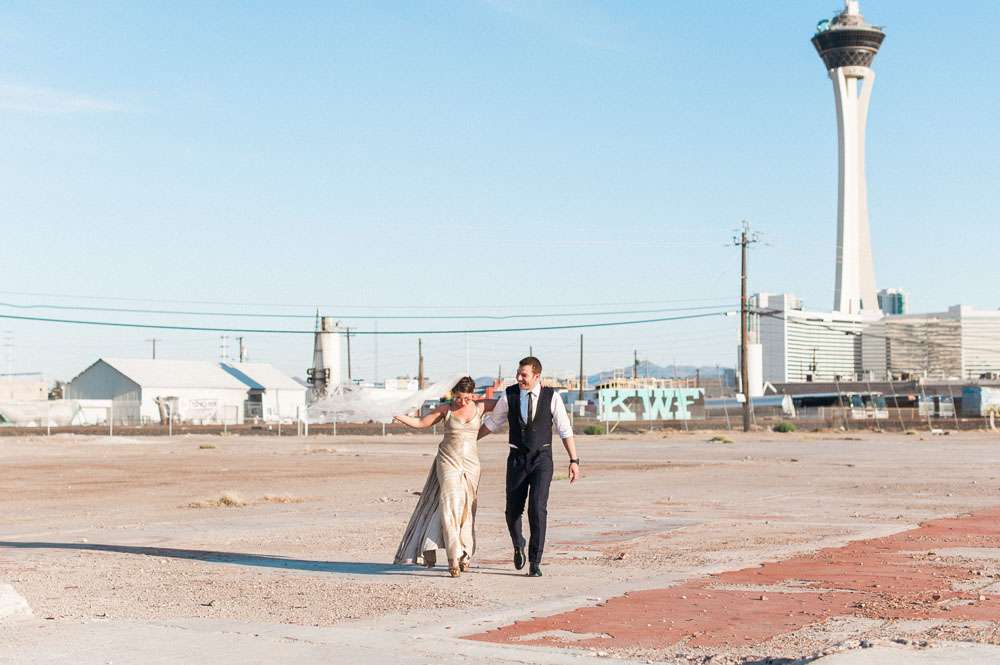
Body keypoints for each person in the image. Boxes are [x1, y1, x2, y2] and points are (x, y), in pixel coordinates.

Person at [479, 357, 579, 577]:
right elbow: (493, 422)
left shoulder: (552, 397)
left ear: (536, 376)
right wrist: (469, 440)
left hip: (542, 459)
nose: (519, 378)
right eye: (518, 373)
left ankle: (535, 561)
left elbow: (564, 429)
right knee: (512, 510)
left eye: (523, 375)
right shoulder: (510, 395)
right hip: (517, 459)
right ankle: (518, 543)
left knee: (537, 508)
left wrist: (574, 460)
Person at [392, 377, 489, 577]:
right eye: (459, 397)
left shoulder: (481, 407)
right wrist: (397, 415)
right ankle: (453, 557)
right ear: (453, 394)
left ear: (473, 395)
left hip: (471, 464)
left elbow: (509, 403)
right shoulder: (446, 409)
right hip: (448, 461)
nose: (462, 402)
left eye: (467, 398)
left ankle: (465, 554)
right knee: (450, 504)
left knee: (468, 507)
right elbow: (421, 422)